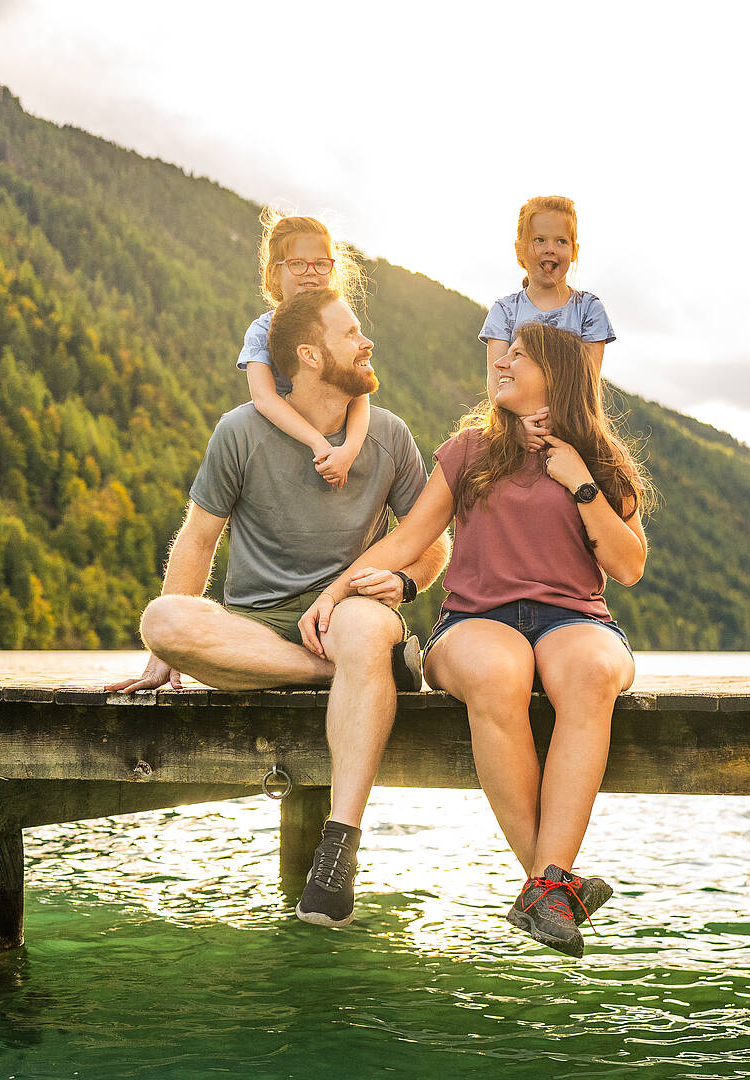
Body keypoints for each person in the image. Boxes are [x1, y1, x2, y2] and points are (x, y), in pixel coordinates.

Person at [301, 323, 651, 957]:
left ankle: (544, 890)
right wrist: (333, 594)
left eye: (519, 355)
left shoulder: (597, 456)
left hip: (575, 618)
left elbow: (627, 567)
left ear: (558, 375)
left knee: (592, 675)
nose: (503, 361)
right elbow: (407, 541)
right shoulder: (469, 450)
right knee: (498, 672)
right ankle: (551, 888)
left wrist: (578, 479)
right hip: (474, 620)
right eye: (504, 351)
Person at [109, 286, 450, 928]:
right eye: (350, 333)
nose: (366, 341)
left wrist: (404, 585)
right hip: (257, 622)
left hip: (350, 607)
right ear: (310, 356)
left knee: (360, 628)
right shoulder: (240, 432)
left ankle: (338, 848)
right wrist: (164, 657)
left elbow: (430, 544)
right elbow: (199, 539)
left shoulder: (389, 434)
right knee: (163, 621)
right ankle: (364, 672)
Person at [240, 211, 370, 488]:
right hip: (286, 442)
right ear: (275, 272)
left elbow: (359, 392)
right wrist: (316, 442)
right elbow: (263, 397)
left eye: (321, 263)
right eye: (298, 263)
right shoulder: (262, 331)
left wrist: (349, 450)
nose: (310, 271)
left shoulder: (341, 326)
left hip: (337, 441)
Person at [479, 196, 615, 387]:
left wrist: (554, 415)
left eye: (561, 241)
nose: (550, 249)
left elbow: (587, 385)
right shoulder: (504, 312)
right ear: (520, 249)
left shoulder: (589, 310)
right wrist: (526, 418)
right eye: (539, 240)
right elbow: (497, 384)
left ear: (574, 251)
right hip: (515, 417)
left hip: (572, 417)